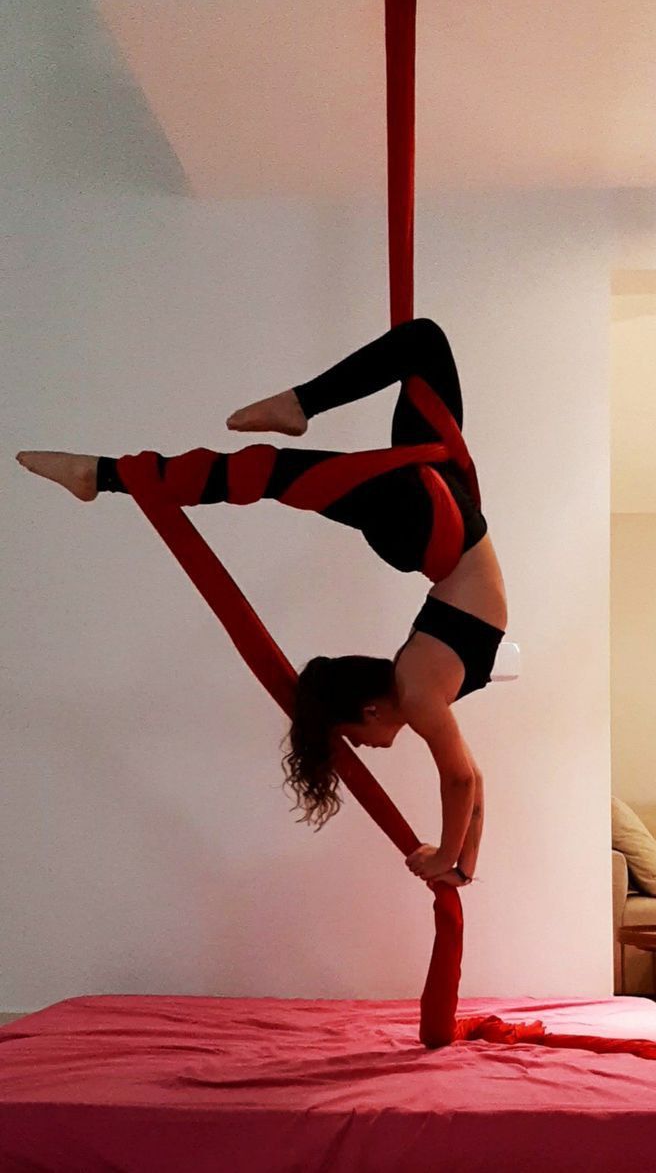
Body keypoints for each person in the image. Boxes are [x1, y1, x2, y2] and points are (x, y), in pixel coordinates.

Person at [16, 318, 507, 890]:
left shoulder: (421, 692)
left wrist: (445, 858)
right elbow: (470, 781)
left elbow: (461, 784)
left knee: (272, 472)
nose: (363, 746)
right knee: (418, 347)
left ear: (369, 710)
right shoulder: (423, 690)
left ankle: (103, 474)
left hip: (435, 525)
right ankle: (129, 464)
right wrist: (460, 868)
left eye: (350, 736)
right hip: (445, 516)